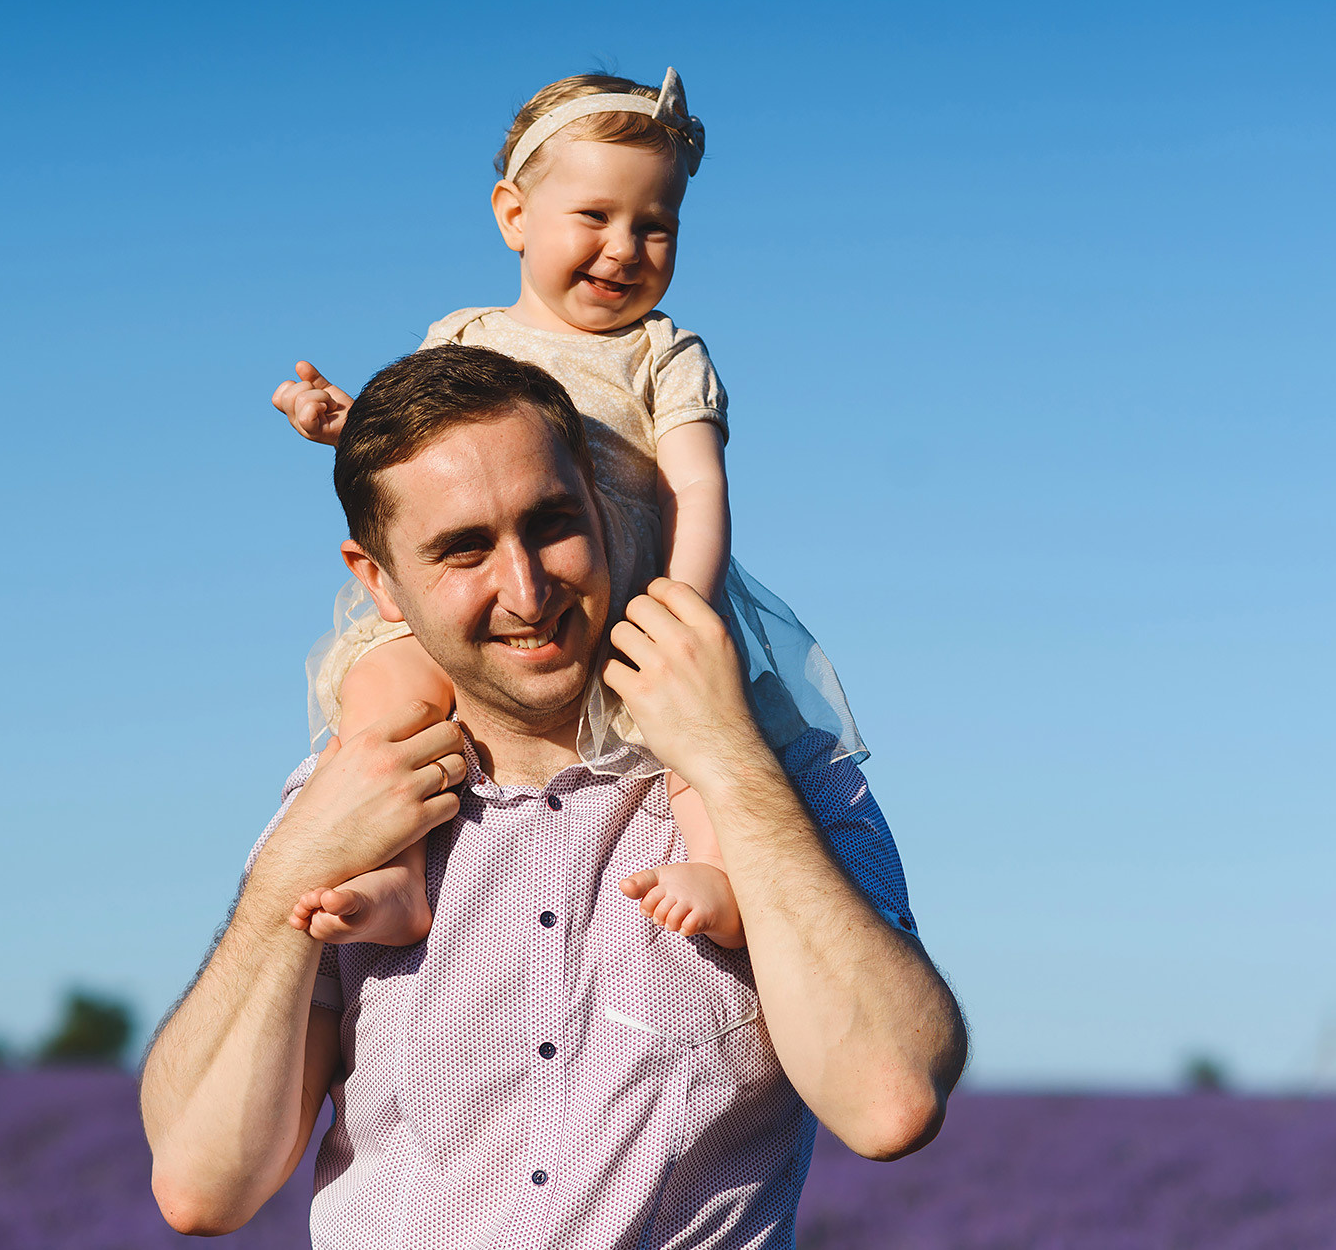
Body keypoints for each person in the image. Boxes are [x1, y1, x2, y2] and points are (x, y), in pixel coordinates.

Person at [140, 346, 967, 1247]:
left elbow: (892, 1098)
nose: (528, 590)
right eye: (464, 550)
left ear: (605, 517)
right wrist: (288, 876)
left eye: (552, 523)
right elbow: (202, 1185)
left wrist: (726, 756)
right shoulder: (353, 810)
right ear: (376, 579)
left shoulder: (783, 778)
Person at [271, 67, 863, 954]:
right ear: (514, 215)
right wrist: (347, 425)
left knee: (690, 731)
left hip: (625, 595)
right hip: (497, 603)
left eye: (654, 226)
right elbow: (420, 454)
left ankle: (724, 872)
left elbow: (695, 484)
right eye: (595, 217)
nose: (625, 248)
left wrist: (682, 602)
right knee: (386, 689)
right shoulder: (465, 337)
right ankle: (394, 874)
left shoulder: (665, 353)